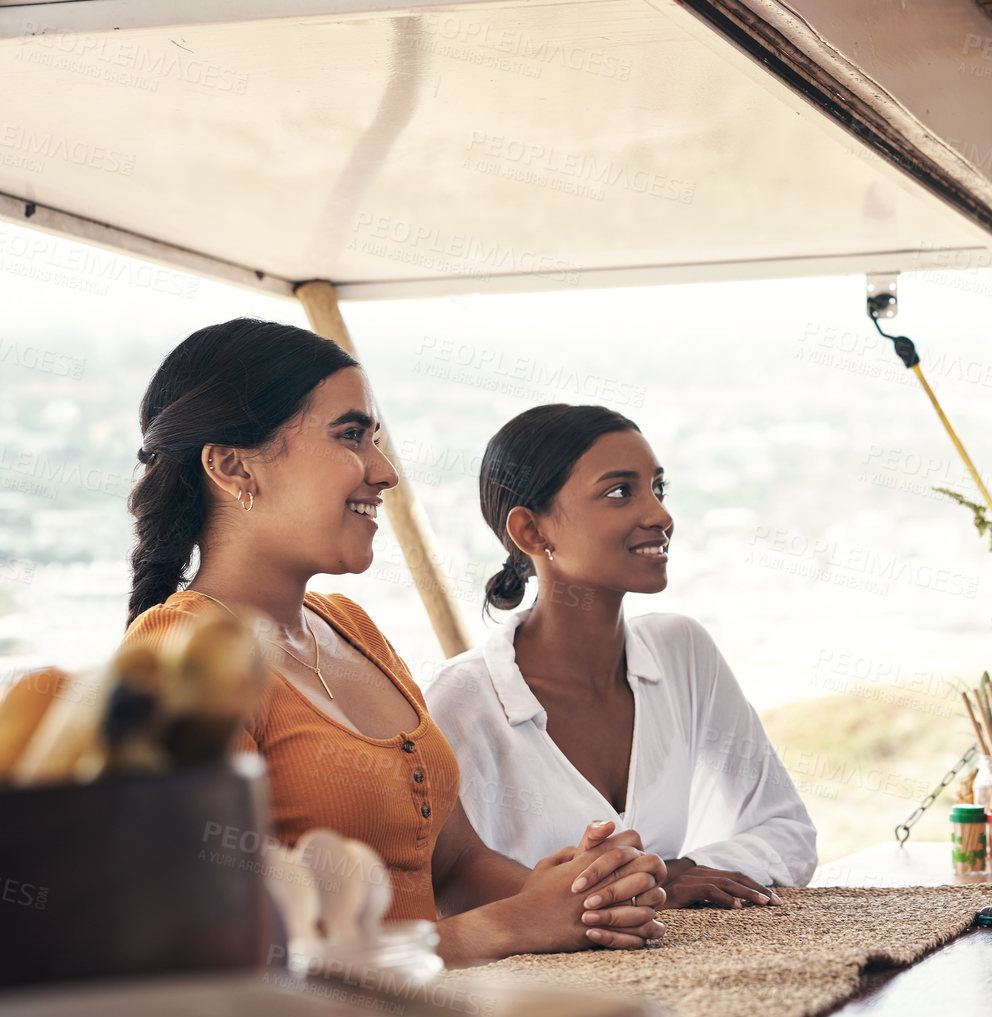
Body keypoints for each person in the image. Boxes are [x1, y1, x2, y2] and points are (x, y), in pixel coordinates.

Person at [123, 318, 668, 961]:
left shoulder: (349, 628)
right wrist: (510, 926)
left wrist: (585, 898)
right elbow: (227, 952)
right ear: (233, 466)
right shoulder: (175, 657)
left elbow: (457, 864)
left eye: (376, 439)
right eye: (352, 435)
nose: (385, 472)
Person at [423, 404, 818, 909]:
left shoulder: (683, 653)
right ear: (532, 532)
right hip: (530, 986)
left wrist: (678, 873)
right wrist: (642, 888)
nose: (660, 515)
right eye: (619, 492)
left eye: (658, 488)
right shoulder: (457, 702)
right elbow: (449, 886)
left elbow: (787, 831)